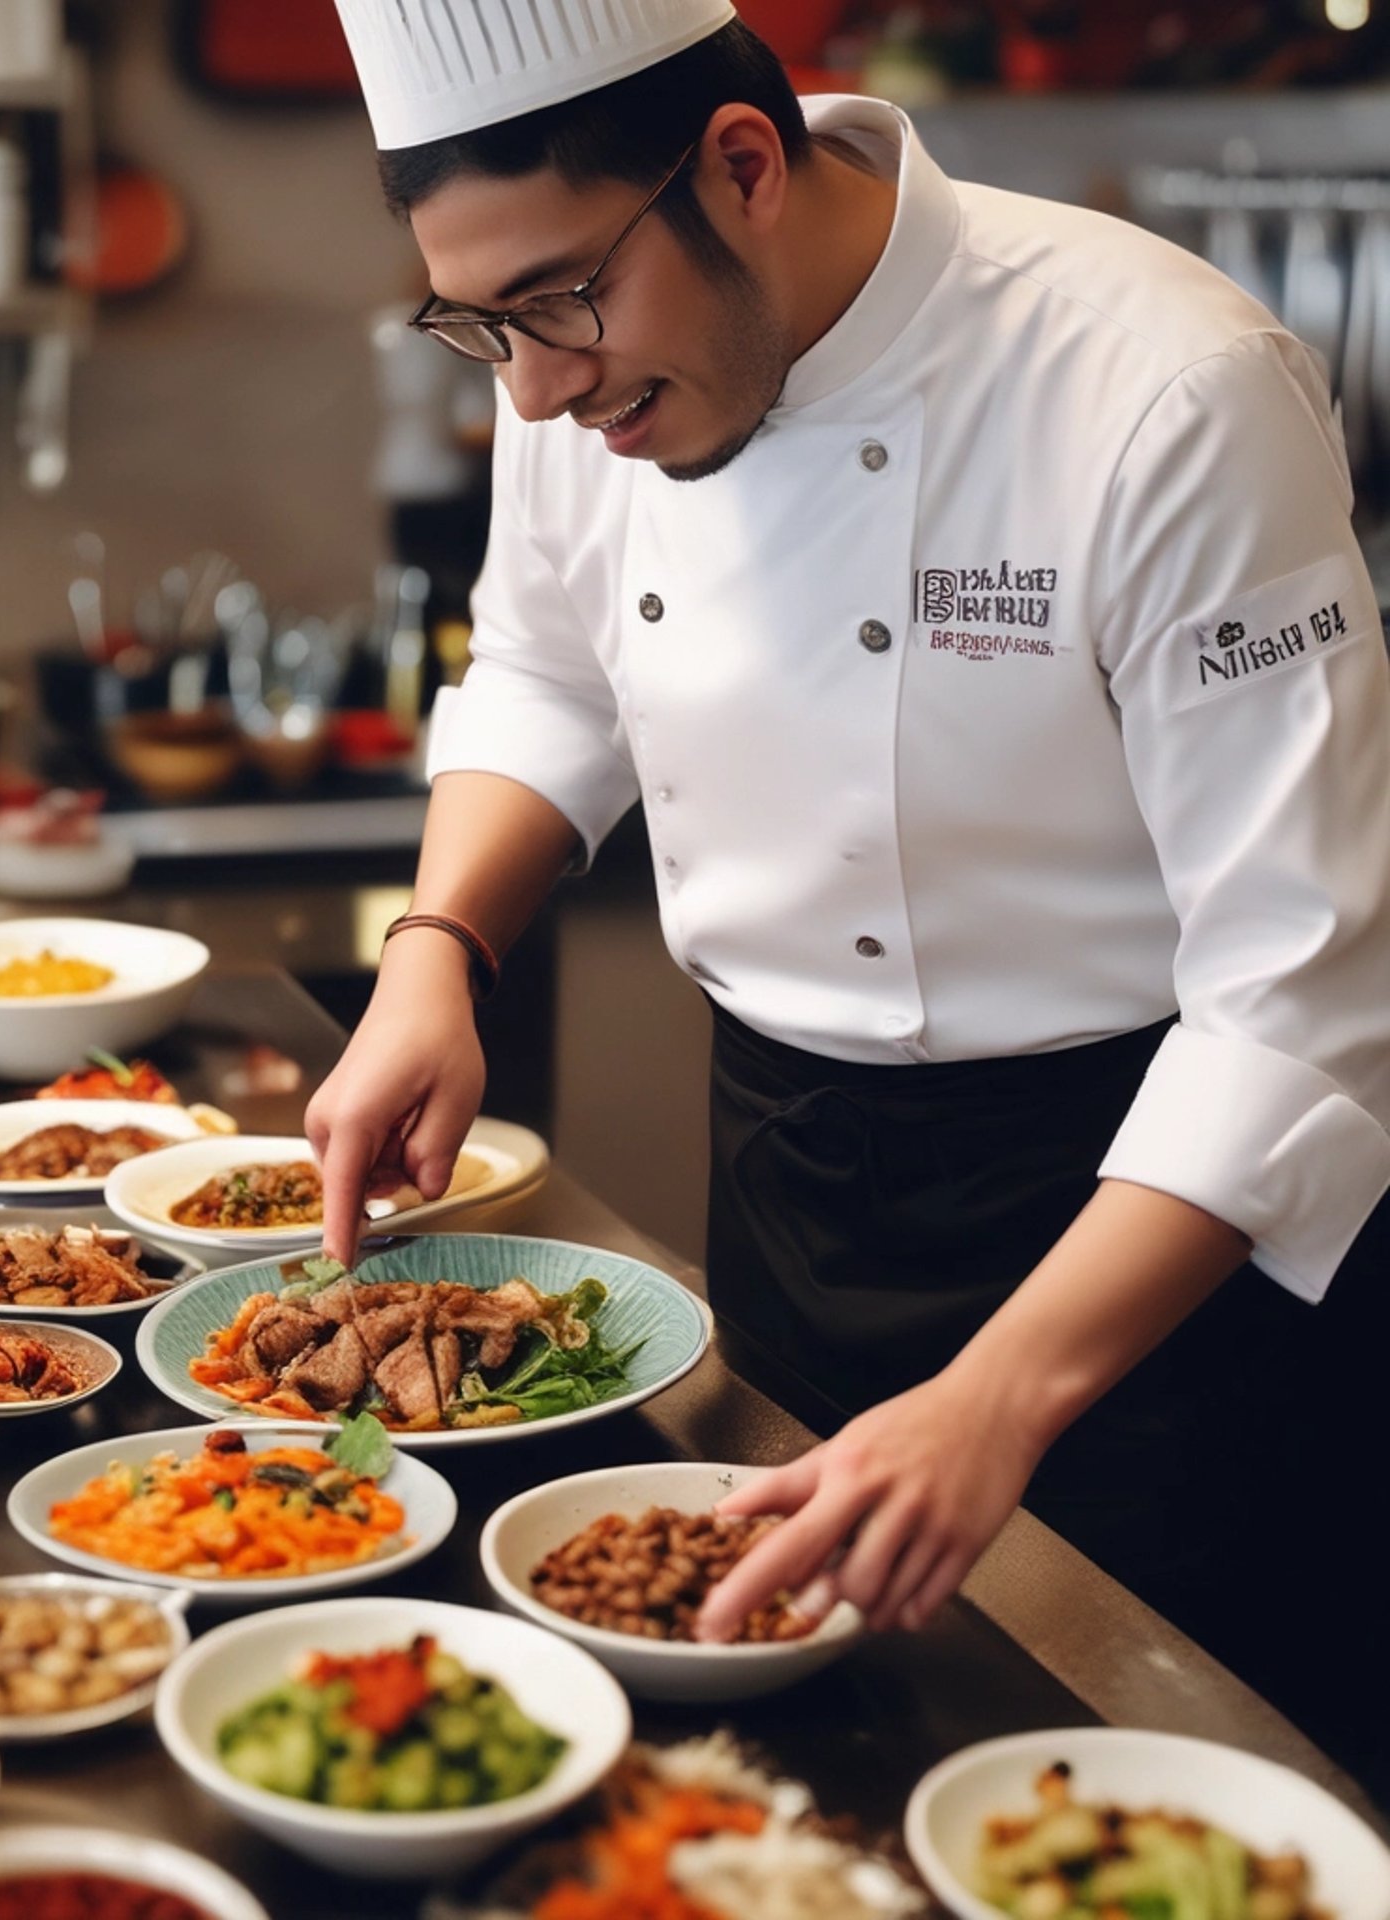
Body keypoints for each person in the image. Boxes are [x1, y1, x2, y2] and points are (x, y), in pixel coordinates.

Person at [307, 0, 1390, 1787]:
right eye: (478, 327)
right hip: (791, 1183)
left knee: (1135, 1788)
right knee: (810, 1773)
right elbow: (547, 674)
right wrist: (438, 952)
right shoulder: (571, 358)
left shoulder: (1165, 389)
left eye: (561, 306)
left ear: (742, 163)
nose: (535, 390)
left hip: (1146, 1257)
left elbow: (1307, 991)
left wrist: (1003, 1395)